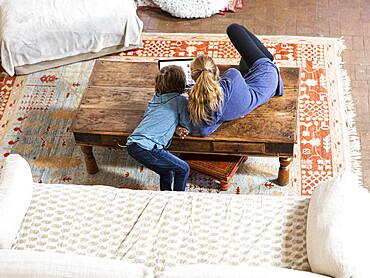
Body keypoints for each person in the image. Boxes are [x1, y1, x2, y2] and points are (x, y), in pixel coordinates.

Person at [187, 23, 284, 136]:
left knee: (245, 60)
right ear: (216, 70)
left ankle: (267, 62)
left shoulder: (203, 110)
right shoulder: (232, 76)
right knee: (234, 29)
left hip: (249, 90)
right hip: (267, 77)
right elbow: (230, 78)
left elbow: (202, 131)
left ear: (194, 78)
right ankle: (273, 63)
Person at [126, 65, 191, 191]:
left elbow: (154, 116)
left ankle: (164, 197)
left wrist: (174, 126)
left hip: (134, 143)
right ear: (181, 84)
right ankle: (178, 202)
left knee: (166, 172)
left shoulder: (155, 99)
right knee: (183, 169)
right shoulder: (180, 100)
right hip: (149, 147)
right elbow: (187, 124)